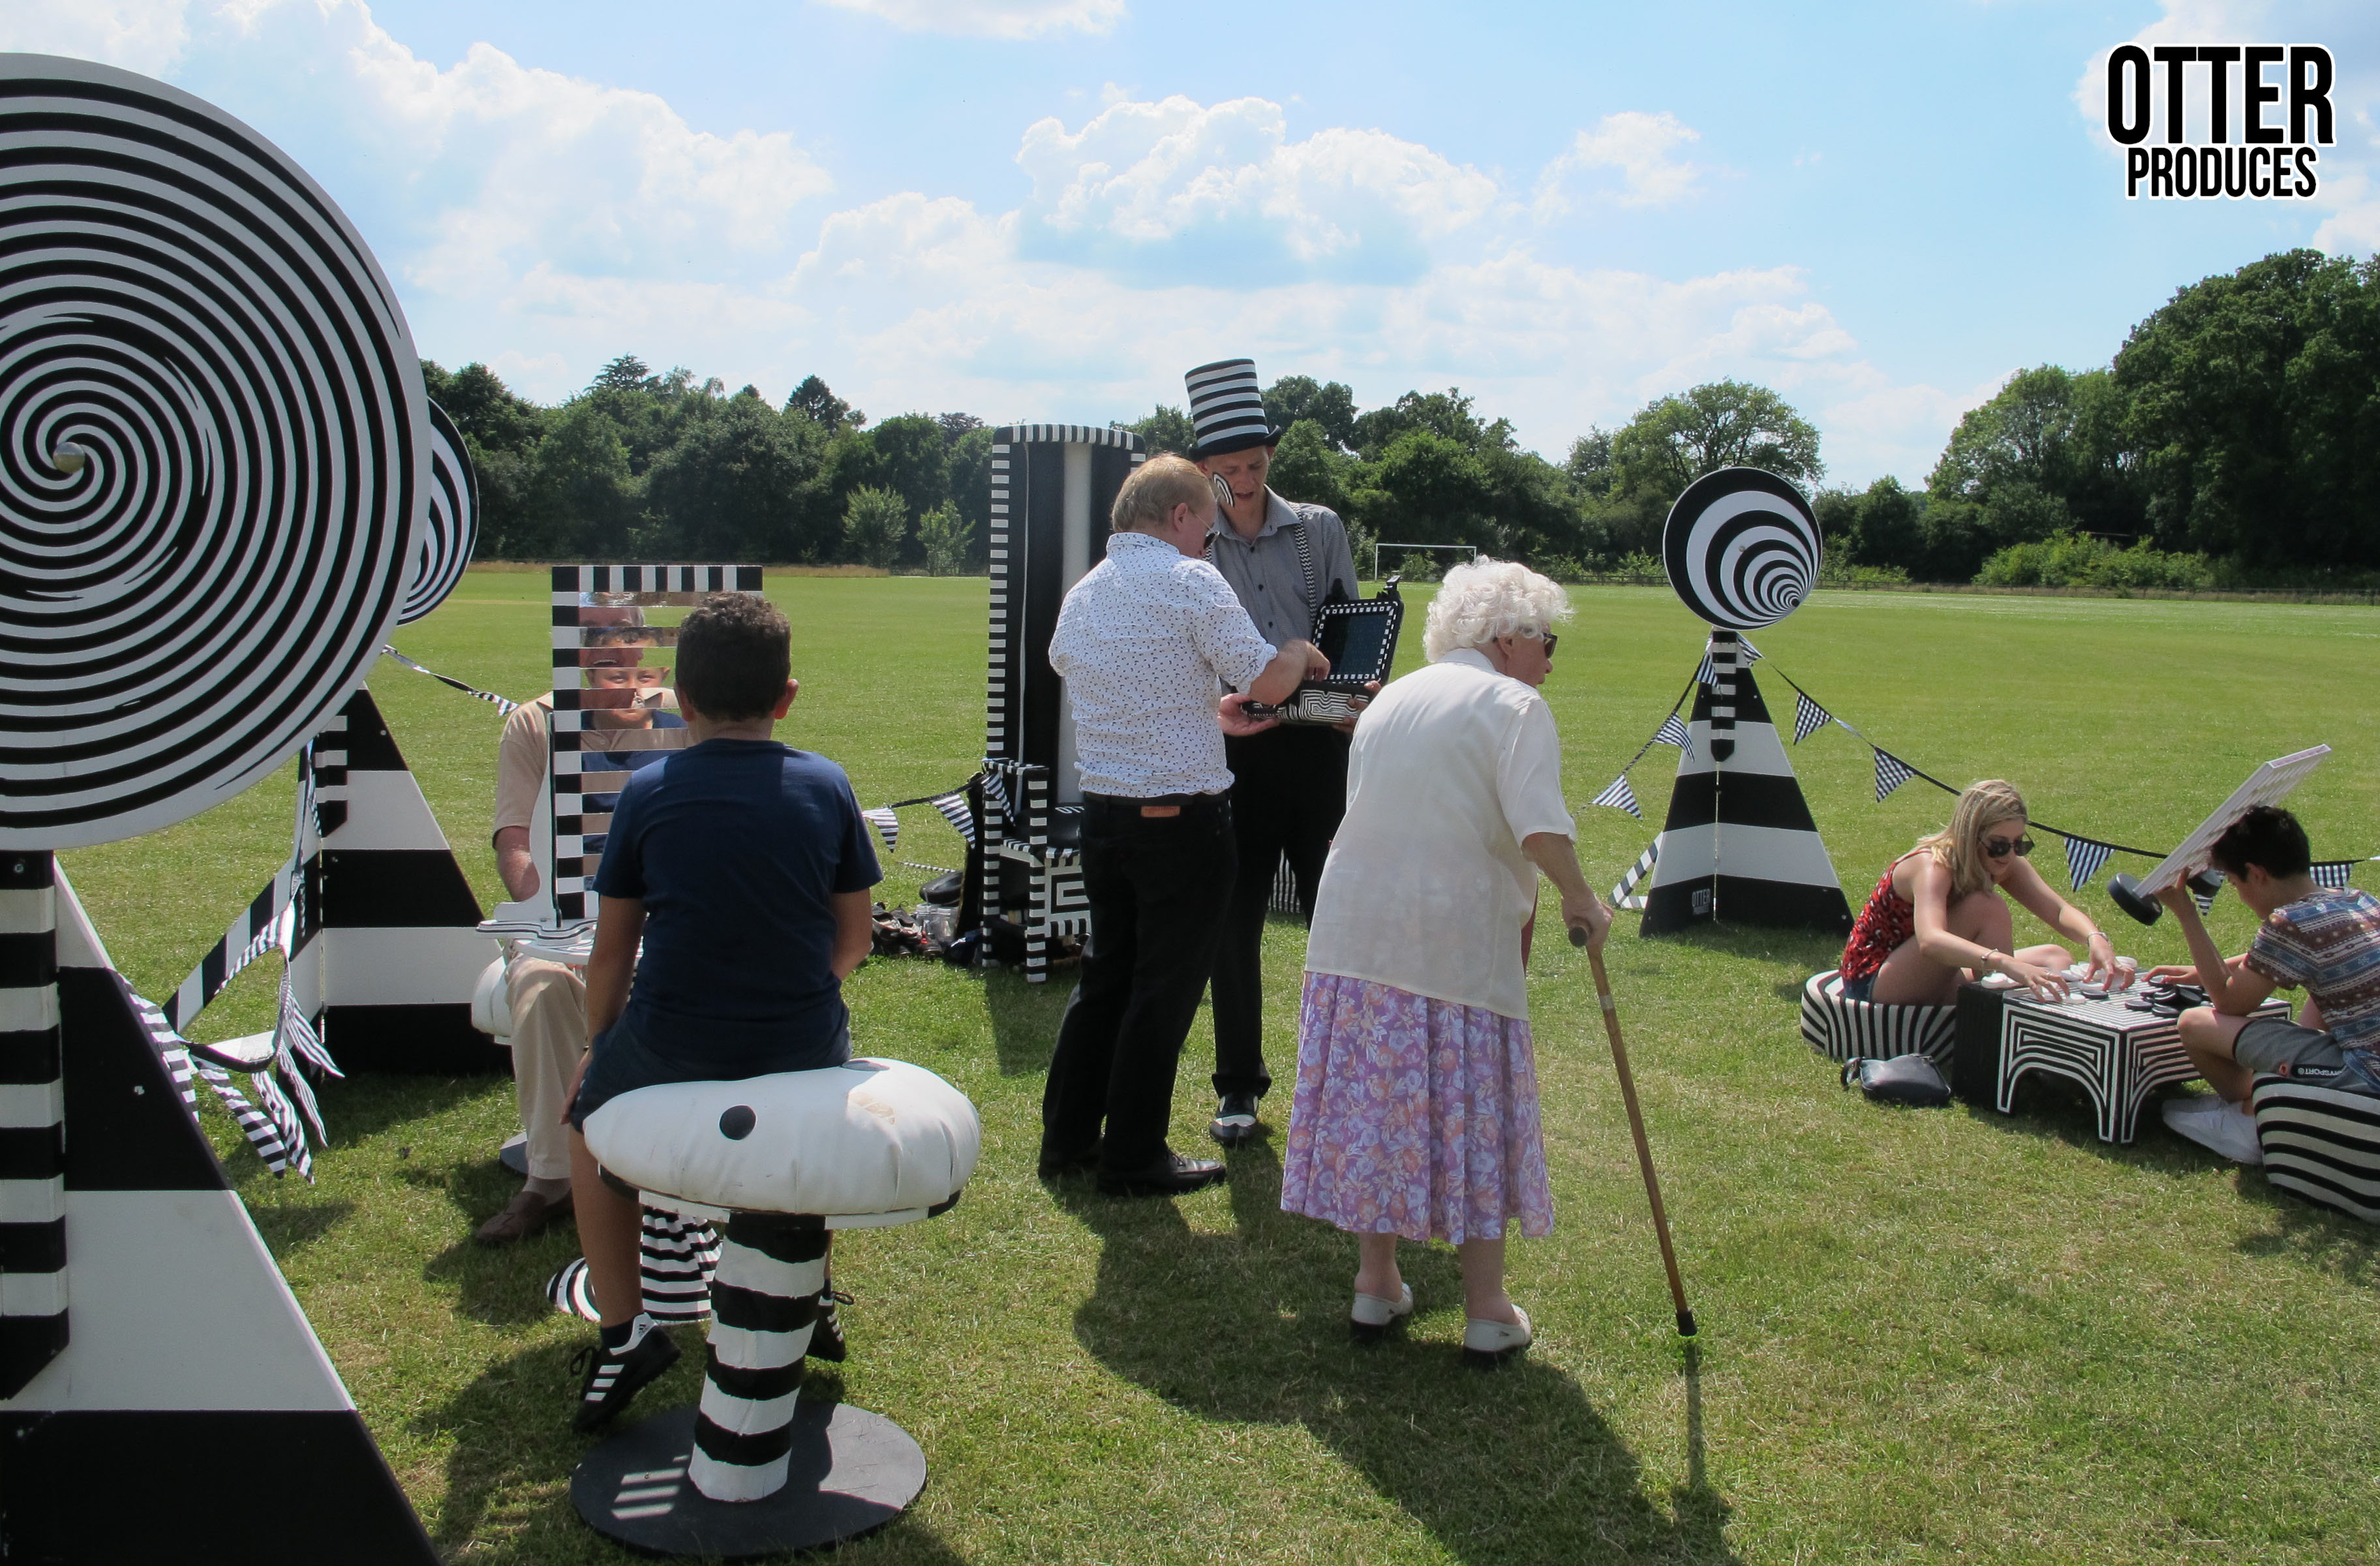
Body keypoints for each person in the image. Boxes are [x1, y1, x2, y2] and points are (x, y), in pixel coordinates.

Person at [1281, 558, 1611, 1367]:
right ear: (1507, 636)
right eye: (1546, 639)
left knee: (1380, 1109)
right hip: (1449, 940)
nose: (1549, 658)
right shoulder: (1514, 704)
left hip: (1357, 932)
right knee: (1470, 1109)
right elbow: (1539, 826)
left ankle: (1376, 1280)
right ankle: (1487, 1307)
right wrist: (1582, 898)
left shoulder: (1392, 697)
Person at [562, 591, 879, 1430]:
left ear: (684, 702)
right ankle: (802, 1295)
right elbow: (856, 940)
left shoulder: (650, 792)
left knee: (581, 1123)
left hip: (672, 1036)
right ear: (788, 697)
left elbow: (611, 953)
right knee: (800, 1139)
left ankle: (626, 1329)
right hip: (800, 1034)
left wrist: (601, 1043)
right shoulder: (828, 784)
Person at [1038, 453, 1328, 1197]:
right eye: (1207, 519)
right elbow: (1264, 680)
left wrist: (1207, 711)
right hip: (1181, 824)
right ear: (1178, 517)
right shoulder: (1191, 580)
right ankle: (1134, 1152)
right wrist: (1297, 652)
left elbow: (1110, 678)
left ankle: (1068, 1139)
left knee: (1106, 980)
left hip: (1105, 817)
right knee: (1162, 992)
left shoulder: (1086, 592)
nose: (1211, 536)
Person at [1183, 357, 1364, 1150]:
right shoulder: (1192, 544)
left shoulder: (1318, 529)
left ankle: (1352, 1076)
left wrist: (1357, 694)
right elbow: (1182, 653)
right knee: (1234, 921)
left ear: (1271, 459)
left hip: (1320, 749)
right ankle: (1237, 1090)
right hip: (1237, 756)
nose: (1244, 482)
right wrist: (1219, 707)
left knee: (1342, 915)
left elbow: (1351, 629)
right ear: (1202, 472)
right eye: (1226, 473)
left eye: (1255, 466)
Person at [476, 609, 684, 1246]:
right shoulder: (535, 724)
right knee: (541, 983)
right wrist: (545, 912)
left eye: (627, 653)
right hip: (563, 918)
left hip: (661, 914)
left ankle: (682, 1161)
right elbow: (513, 838)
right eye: (598, 654)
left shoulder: (683, 716)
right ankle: (552, 1179)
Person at [2150, 805, 2380, 1165]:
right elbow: (2292, 958)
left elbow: (2227, 1002)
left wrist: (2186, 912)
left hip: (2366, 1076)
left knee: (2196, 1024)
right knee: (2320, 998)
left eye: (2236, 883)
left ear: (2256, 874)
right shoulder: (2355, 900)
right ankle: (2259, 1102)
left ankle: (2248, 1123)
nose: (2239, 894)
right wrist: (2204, 969)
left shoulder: (2289, 922)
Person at [1838, 779, 2124, 1006]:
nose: (2009, 855)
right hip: (1875, 979)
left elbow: (2058, 911)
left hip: (1933, 969)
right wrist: (2003, 962)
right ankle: (1994, 1012)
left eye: (2018, 844)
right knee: (1986, 906)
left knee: (2056, 957)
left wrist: (2095, 938)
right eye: (1999, 844)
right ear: (1969, 835)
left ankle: (1996, 999)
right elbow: (1931, 940)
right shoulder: (1932, 865)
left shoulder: (2004, 862)